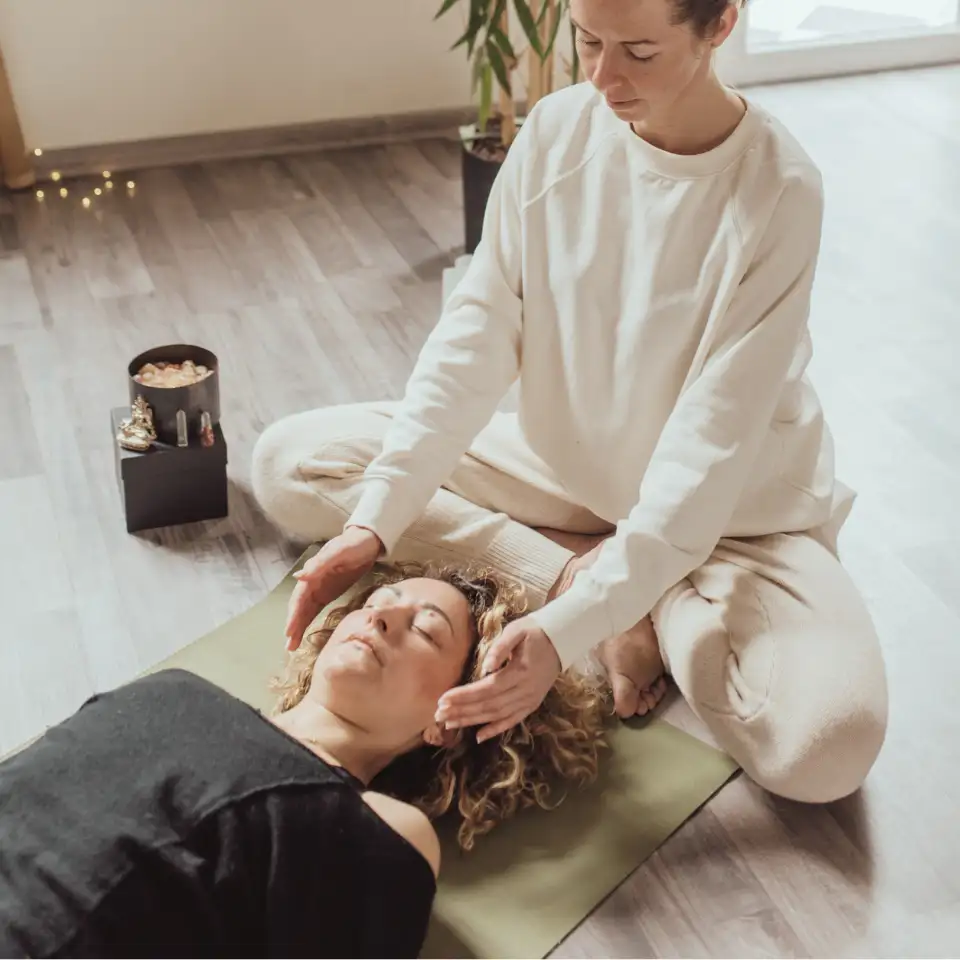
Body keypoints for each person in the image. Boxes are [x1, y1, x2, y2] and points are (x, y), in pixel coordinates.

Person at [251, 0, 888, 805]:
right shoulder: (556, 131)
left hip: (734, 516)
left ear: (721, 23)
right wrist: (375, 522)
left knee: (827, 749)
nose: (603, 77)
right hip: (567, 469)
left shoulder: (779, 190)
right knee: (292, 465)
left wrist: (568, 634)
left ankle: (644, 595)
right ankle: (577, 576)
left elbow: (709, 448)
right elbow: (475, 337)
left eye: (640, 52)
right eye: (587, 40)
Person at [0, 566, 607, 958]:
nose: (380, 615)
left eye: (426, 630)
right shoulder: (174, 690)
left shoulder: (385, 828)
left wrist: (597, 602)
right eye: (379, 601)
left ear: (450, 723)